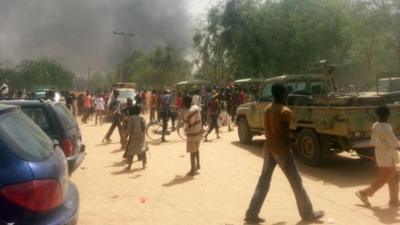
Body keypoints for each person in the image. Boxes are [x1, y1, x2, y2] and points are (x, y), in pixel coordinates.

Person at [244, 83, 324, 223]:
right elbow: (285, 134)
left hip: (269, 148)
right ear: (282, 95)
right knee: (296, 182)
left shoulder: (268, 109)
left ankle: (251, 213)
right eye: (286, 93)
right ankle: (307, 214)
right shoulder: (286, 112)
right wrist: (292, 146)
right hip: (281, 150)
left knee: (263, 182)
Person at [356, 105, 400, 207]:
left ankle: (394, 200)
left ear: (377, 115)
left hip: (382, 155)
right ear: (388, 115)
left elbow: (373, 142)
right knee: (383, 178)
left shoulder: (375, 125)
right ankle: (364, 193)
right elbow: (395, 144)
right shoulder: (386, 127)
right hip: (387, 157)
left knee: (393, 177)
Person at [182, 95, 202, 176]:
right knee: (197, 150)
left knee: (192, 153)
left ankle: (192, 170)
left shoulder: (186, 112)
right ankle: (198, 165)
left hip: (191, 134)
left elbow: (187, 124)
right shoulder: (196, 108)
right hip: (199, 132)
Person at [125, 105, 147, 170]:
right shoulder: (142, 117)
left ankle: (129, 165)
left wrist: (125, 137)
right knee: (142, 149)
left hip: (134, 136)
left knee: (131, 150)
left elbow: (129, 129)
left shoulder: (131, 118)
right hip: (141, 136)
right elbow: (144, 127)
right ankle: (144, 164)